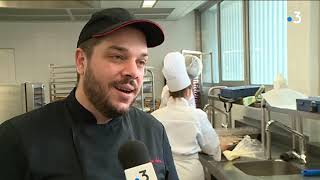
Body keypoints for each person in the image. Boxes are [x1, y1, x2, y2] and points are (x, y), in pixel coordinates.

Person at [0, 8, 179, 180]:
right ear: (81, 61)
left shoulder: (153, 131)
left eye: (141, 61)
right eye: (118, 56)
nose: (134, 72)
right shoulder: (18, 138)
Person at [152, 52, 221, 180]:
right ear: (189, 91)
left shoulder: (155, 117)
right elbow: (212, 148)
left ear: (168, 92)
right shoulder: (197, 116)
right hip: (191, 173)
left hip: (164, 172)